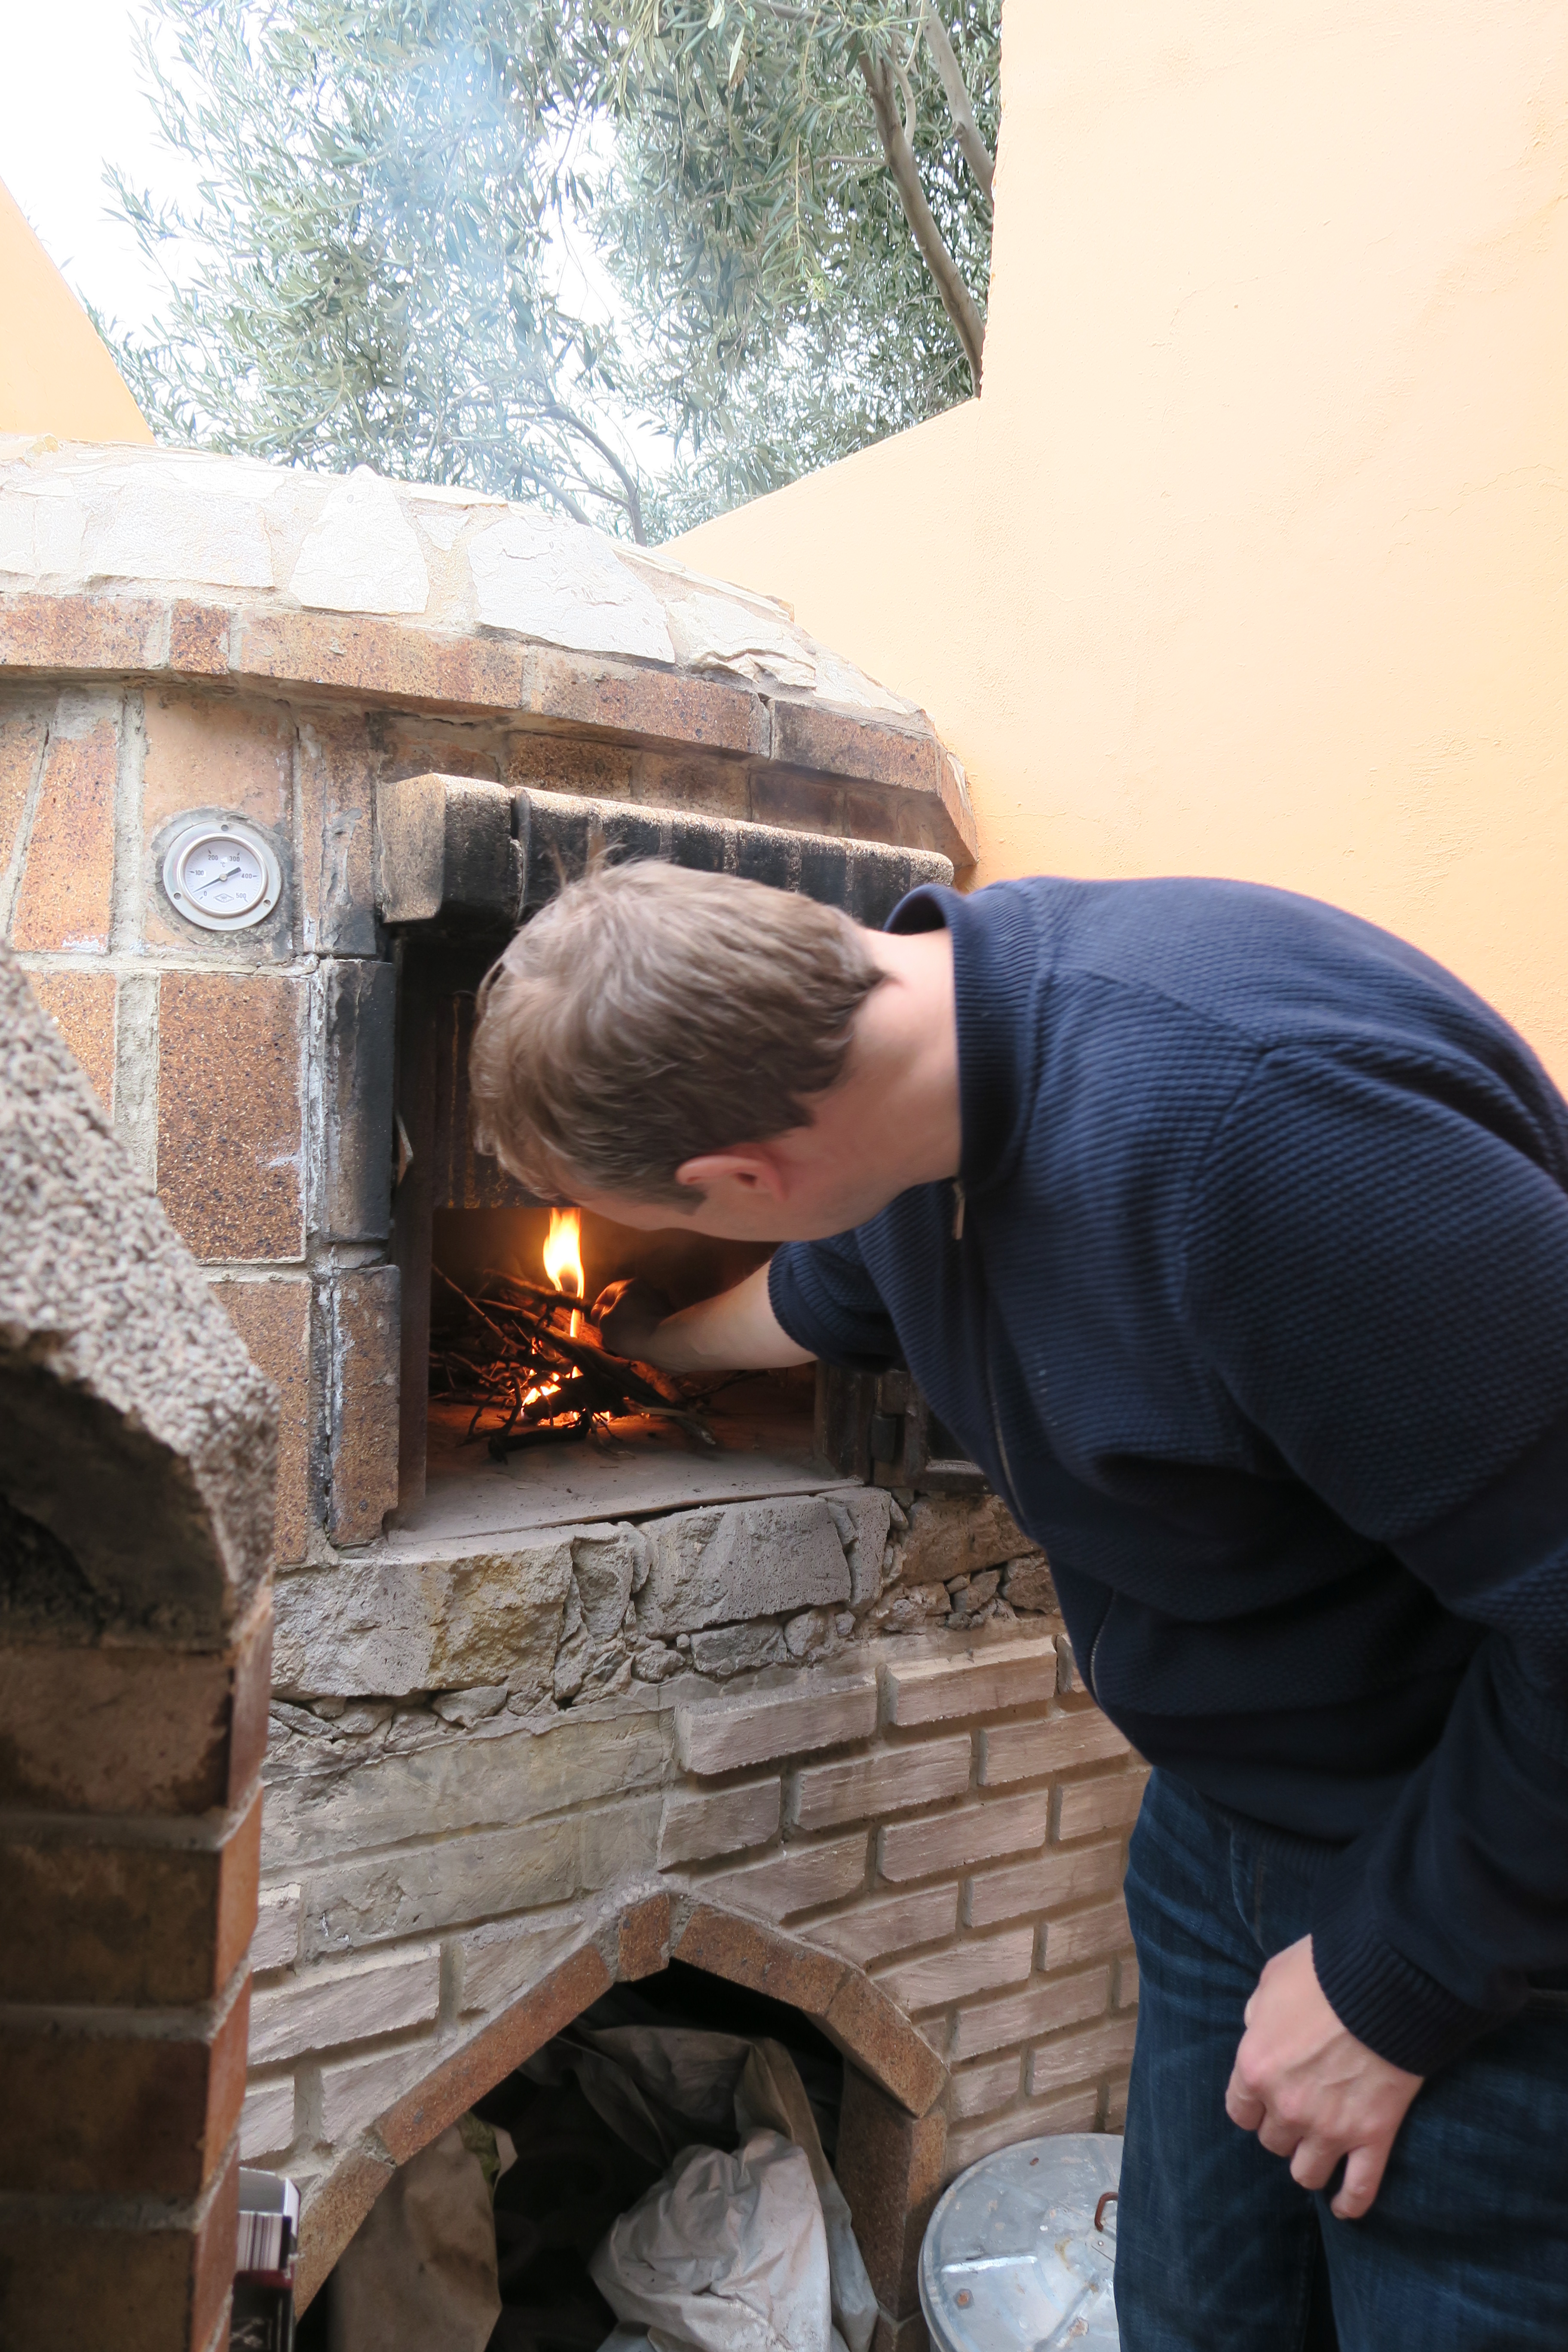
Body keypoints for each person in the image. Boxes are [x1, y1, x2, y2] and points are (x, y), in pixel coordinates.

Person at [469, 858, 1568, 2351]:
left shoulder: (1276, 1135)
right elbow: (824, 1291)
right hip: (1223, 1831)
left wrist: (1396, 1983)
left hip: (1483, 1881)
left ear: (744, 1180)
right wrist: (655, 1347)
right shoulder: (913, 1071)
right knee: (1190, 2318)